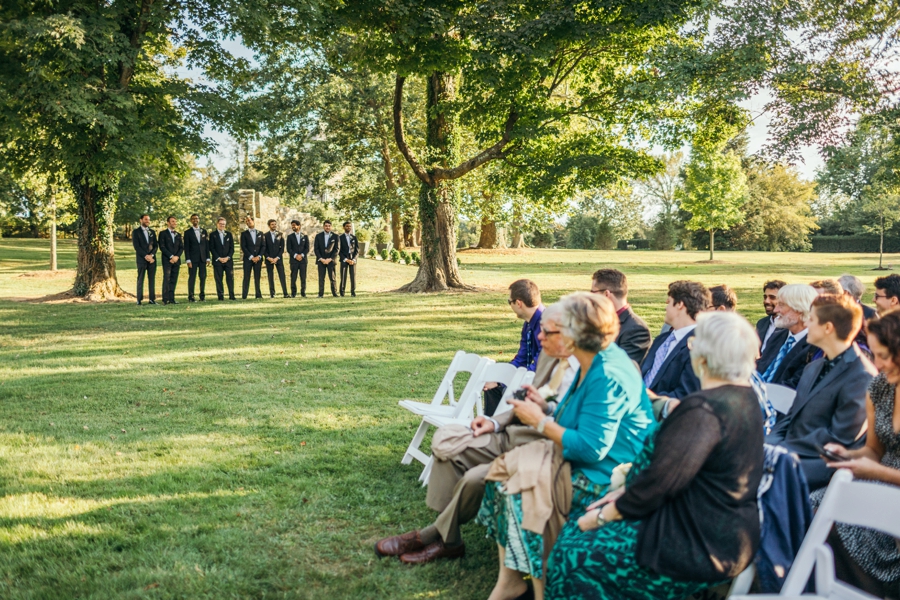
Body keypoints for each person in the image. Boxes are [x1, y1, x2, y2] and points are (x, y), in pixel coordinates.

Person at [545, 311, 764, 600]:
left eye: (694, 342)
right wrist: (623, 493)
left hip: (696, 541)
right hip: (716, 527)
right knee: (576, 530)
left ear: (705, 356)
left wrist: (603, 516)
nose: (690, 346)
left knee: (574, 552)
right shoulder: (743, 397)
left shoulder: (703, 410)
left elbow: (661, 481)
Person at [477, 292, 655, 600]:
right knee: (500, 479)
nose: (542, 335)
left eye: (552, 329)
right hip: (584, 461)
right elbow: (577, 417)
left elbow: (591, 448)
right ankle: (511, 583)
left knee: (519, 492)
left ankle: (541, 590)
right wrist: (544, 409)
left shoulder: (607, 372)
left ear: (575, 334)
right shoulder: (590, 360)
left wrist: (539, 422)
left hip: (610, 477)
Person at [374, 310, 581, 566]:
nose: (539, 336)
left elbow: (572, 429)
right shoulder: (551, 357)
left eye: (547, 332)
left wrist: (541, 415)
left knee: (472, 480)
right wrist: (494, 421)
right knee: (449, 446)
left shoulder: (587, 371)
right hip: (510, 434)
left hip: (541, 448)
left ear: (570, 335)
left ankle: (433, 537)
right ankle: (449, 540)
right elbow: (525, 403)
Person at [816, 309, 900, 598]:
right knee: (811, 504)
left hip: (891, 487)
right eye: (873, 354)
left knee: (842, 520)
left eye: (884, 356)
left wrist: (878, 474)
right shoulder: (879, 387)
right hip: (878, 479)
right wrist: (848, 454)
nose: (876, 363)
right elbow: (874, 450)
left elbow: (877, 467)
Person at [766, 294, 876, 490]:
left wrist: (782, 452)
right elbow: (790, 419)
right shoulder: (813, 367)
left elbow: (840, 438)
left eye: (812, 319)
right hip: (790, 453)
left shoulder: (861, 375)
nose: (806, 322)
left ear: (828, 327)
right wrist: (768, 445)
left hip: (823, 463)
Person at [641, 280, 710, 403]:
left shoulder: (699, 346)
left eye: (669, 302)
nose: (665, 308)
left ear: (680, 305)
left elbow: (686, 394)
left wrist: (642, 399)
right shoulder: (661, 340)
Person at [483, 279, 544, 417]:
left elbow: (541, 365)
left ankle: (496, 431)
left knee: (501, 388)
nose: (510, 305)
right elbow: (521, 359)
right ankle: (492, 430)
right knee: (492, 386)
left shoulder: (547, 323)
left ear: (518, 303)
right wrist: (499, 378)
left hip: (542, 384)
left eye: (509, 301)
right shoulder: (528, 325)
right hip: (528, 378)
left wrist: (509, 381)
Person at [757, 283, 819, 389]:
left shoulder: (814, 347)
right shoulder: (779, 335)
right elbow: (761, 366)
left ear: (799, 309)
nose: (776, 310)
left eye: (781, 305)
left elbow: (793, 386)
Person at [590, 269, 651, 364]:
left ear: (606, 294)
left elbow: (621, 367)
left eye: (593, 293)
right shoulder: (599, 320)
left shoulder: (636, 330)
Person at [132, 213, 158, 305]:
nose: (148, 221)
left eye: (148, 219)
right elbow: (137, 247)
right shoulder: (136, 232)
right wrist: (146, 256)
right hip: (141, 259)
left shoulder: (152, 232)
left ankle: (152, 299)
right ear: (141, 220)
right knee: (140, 279)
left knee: (152, 280)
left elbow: (155, 246)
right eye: (146, 219)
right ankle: (139, 299)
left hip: (152, 260)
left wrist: (152, 255)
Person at [183, 213, 210, 302]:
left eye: (197, 218)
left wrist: (208, 258)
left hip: (202, 259)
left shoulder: (204, 231)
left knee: (203, 277)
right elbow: (186, 247)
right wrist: (188, 259)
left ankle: (202, 296)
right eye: (193, 219)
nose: (195, 220)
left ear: (199, 220)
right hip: (192, 259)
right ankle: (191, 297)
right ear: (191, 220)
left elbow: (206, 245)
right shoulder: (187, 233)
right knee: (192, 277)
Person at [757, 280, 788, 354]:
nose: (766, 301)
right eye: (765, 297)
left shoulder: (788, 327)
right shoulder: (761, 323)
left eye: (772, 297)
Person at [158, 215, 183, 305]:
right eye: (172, 221)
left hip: (176, 260)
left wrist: (176, 257)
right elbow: (162, 247)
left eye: (175, 221)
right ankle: (165, 299)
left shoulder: (178, 235)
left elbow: (181, 248)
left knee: (174, 279)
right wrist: (171, 256)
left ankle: (172, 299)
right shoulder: (163, 234)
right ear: (168, 223)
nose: (174, 223)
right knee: (167, 278)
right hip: (167, 260)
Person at [209, 217, 235, 300]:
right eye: (220, 224)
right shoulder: (213, 235)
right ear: (217, 224)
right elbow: (211, 248)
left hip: (228, 261)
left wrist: (228, 257)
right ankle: (220, 296)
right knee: (218, 279)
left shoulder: (229, 234)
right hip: (218, 261)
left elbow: (232, 248)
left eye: (223, 224)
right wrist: (219, 258)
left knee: (230, 278)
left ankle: (232, 295)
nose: (222, 225)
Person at [240, 216, 264, 299]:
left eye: (249, 221)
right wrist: (251, 257)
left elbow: (263, 246)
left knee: (257, 277)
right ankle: (244, 295)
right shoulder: (244, 234)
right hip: (248, 259)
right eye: (247, 221)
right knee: (246, 277)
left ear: (253, 221)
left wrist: (259, 256)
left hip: (258, 259)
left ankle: (258, 294)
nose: (248, 222)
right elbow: (243, 247)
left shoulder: (260, 233)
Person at [263, 219, 288, 298]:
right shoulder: (265, 235)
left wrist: (277, 257)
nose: (274, 226)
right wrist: (268, 257)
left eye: (275, 224)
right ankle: (272, 293)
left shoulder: (280, 234)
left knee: (282, 275)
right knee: (270, 276)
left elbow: (282, 248)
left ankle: (285, 293)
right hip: (269, 259)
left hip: (278, 259)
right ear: (269, 225)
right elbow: (264, 248)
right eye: (272, 224)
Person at [314, 220, 339, 297]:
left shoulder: (335, 236)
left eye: (329, 226)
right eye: (326, 226)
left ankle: (334, 293)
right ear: (323, 226)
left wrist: (330, 259)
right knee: (321, 278)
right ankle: (320, 294)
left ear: (331, 227)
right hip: (321, 260)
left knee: (332, 278)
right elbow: (316, 249)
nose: (327, 227)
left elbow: (337, 249)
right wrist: (321, 258)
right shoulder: (318, 236)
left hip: (331, 260)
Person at [286, 219, 309, 298]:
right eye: (292, 225)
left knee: (303, 277)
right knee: (293, 277)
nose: (293, 227)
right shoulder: (290, 237)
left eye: (294, 225)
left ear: (299, 226)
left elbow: (307, 248)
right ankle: (293, 293)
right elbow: (289, 249)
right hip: (294, 261)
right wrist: (296, 255)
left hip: (303, 261)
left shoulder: (305, 236)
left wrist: (301, 255)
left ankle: (303, 292)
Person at [339, 221, 359, 297]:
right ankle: (342, 292)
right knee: (343, 276)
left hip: (353, 259)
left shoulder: (354, 237)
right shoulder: (340, 238)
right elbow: (339, 250)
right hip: (344, 259)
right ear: (344, 227)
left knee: (353, 276)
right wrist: (345, 259)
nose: (349, 228)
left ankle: (353, 292)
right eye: (347, 226)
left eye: (350, 226)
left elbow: (357, 250)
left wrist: (354, 259)